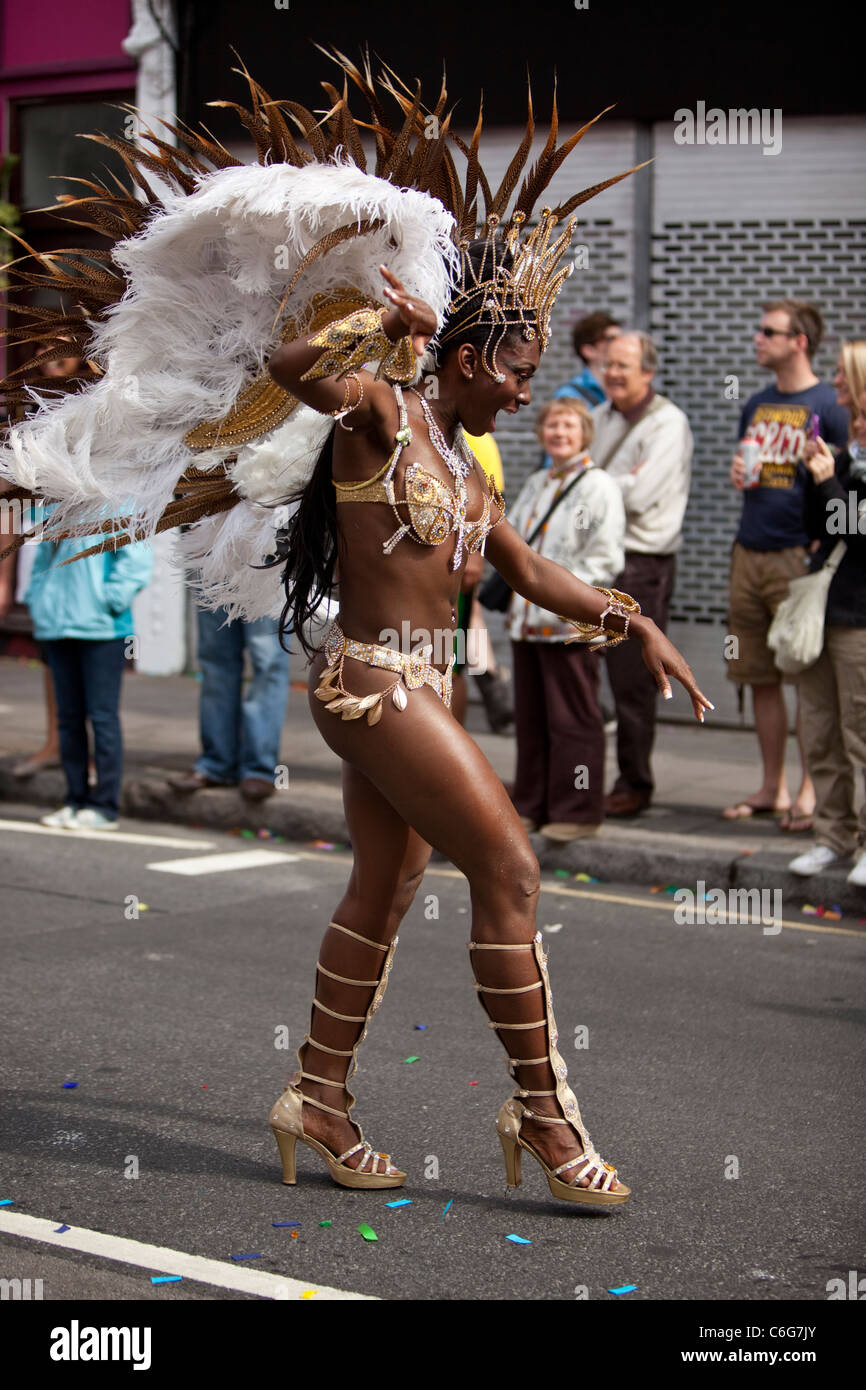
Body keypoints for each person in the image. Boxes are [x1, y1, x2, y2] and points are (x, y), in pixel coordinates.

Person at [0, 56, 712, 1208]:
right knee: (511, 865)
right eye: (518, 371)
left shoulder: (470, 470)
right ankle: (542, 1116)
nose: (528, 393)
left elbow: (532, 569)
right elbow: (288, 367)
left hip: (416, 687)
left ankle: (318, 1097)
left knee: (384, 886)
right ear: (472, 352)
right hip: (374, 686)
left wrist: (634, 624)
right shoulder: (380, 414)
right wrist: (382, 318)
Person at [723, 300, 849, 828]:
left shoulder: (832, 403)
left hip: (799, 553)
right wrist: (738, 471)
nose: (758, 339)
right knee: (759, 677)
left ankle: (806, 792)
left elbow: (837, 485)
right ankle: (771, 786)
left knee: (806, 675)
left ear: (799, 340)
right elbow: (751, 466)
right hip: (748, 548)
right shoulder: (755, 403)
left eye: (769, 332)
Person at [507, 397, 625, 839]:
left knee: (573, 720)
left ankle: (577, 812)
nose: (559, 433)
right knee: (533, 721)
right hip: (526, 624)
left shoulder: (599, 486)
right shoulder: (538, 481)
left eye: (569, 427)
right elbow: (515, 547)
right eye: (552, 425)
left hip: (569, 629)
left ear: (585, 434)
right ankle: (533, 804)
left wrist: (569, 602)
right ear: (541, 433)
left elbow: (605, 560)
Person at [590, 330, 694, 816]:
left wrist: (593, 483)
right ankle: (583, 777)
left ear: (648, 373)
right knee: (584, 671)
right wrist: (603, 483)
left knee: (633, 679)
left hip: (641, 564)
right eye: (608, 364)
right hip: (596, 557)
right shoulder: (597, 417)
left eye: (623, 366)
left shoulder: (668, 423)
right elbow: (577, 476)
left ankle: (635, 783)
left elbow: (640, 493)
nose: (612, 373)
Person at [788, 342, 866, 886]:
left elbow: (856, 534)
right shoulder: (846, 450)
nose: (833, 380)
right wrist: (816, 471)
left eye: (841, 373)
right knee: (821, 731)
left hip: (860, 617)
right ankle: (833, 837)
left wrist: (828, 481)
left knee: (860, 733)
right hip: (826, 610)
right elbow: (817, 526)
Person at [26, 530, 152, 830]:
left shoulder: (120, 502)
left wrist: (110, 600)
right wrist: (38, 602)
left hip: (103, 630)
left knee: (102, 716)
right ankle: (74, 799)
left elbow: (137, 559)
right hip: (57, 626)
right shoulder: (57, 505)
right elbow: (42, 560)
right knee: (68, 718)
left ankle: (105, 806)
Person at [167, 607, 290, 801]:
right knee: (215, 660)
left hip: (268, 578)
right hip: (212, 576)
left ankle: (259, 769)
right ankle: (216, 764)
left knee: (268, 662)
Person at [554, 311, 621, 409]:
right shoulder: (569, 396)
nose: (620, 344)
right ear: (589, 351)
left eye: (621, 338)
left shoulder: (625, 389)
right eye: (611, 339)